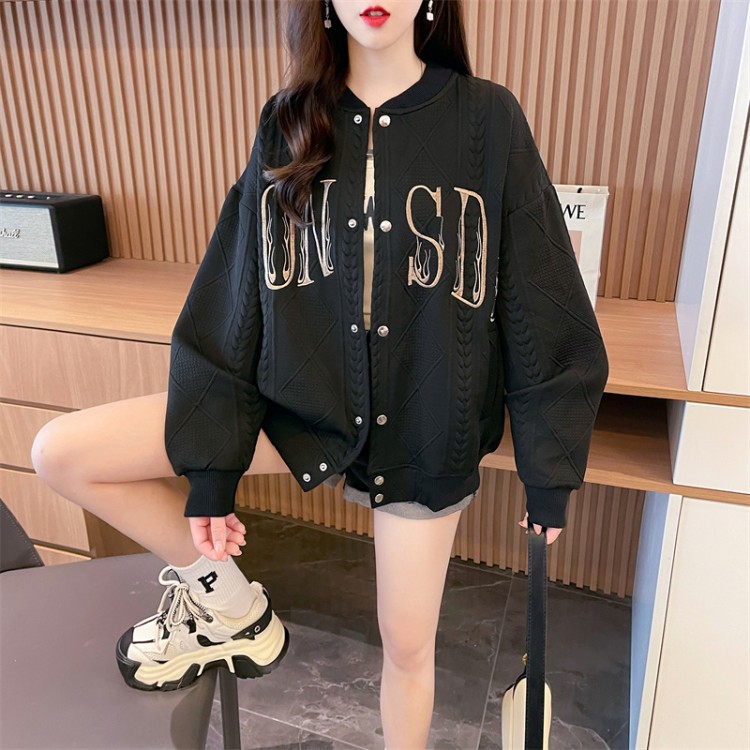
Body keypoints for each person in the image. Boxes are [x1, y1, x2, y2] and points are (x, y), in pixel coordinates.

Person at [30, 1, 609, 747]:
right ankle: (229, 607)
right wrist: (212, 471)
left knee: (407, 646)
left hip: (424, 425)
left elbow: (540, 292)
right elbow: (237, 291)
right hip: (300, 406)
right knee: (61, 452)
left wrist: (548, 468)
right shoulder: (288, 121)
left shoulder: (488, 119)